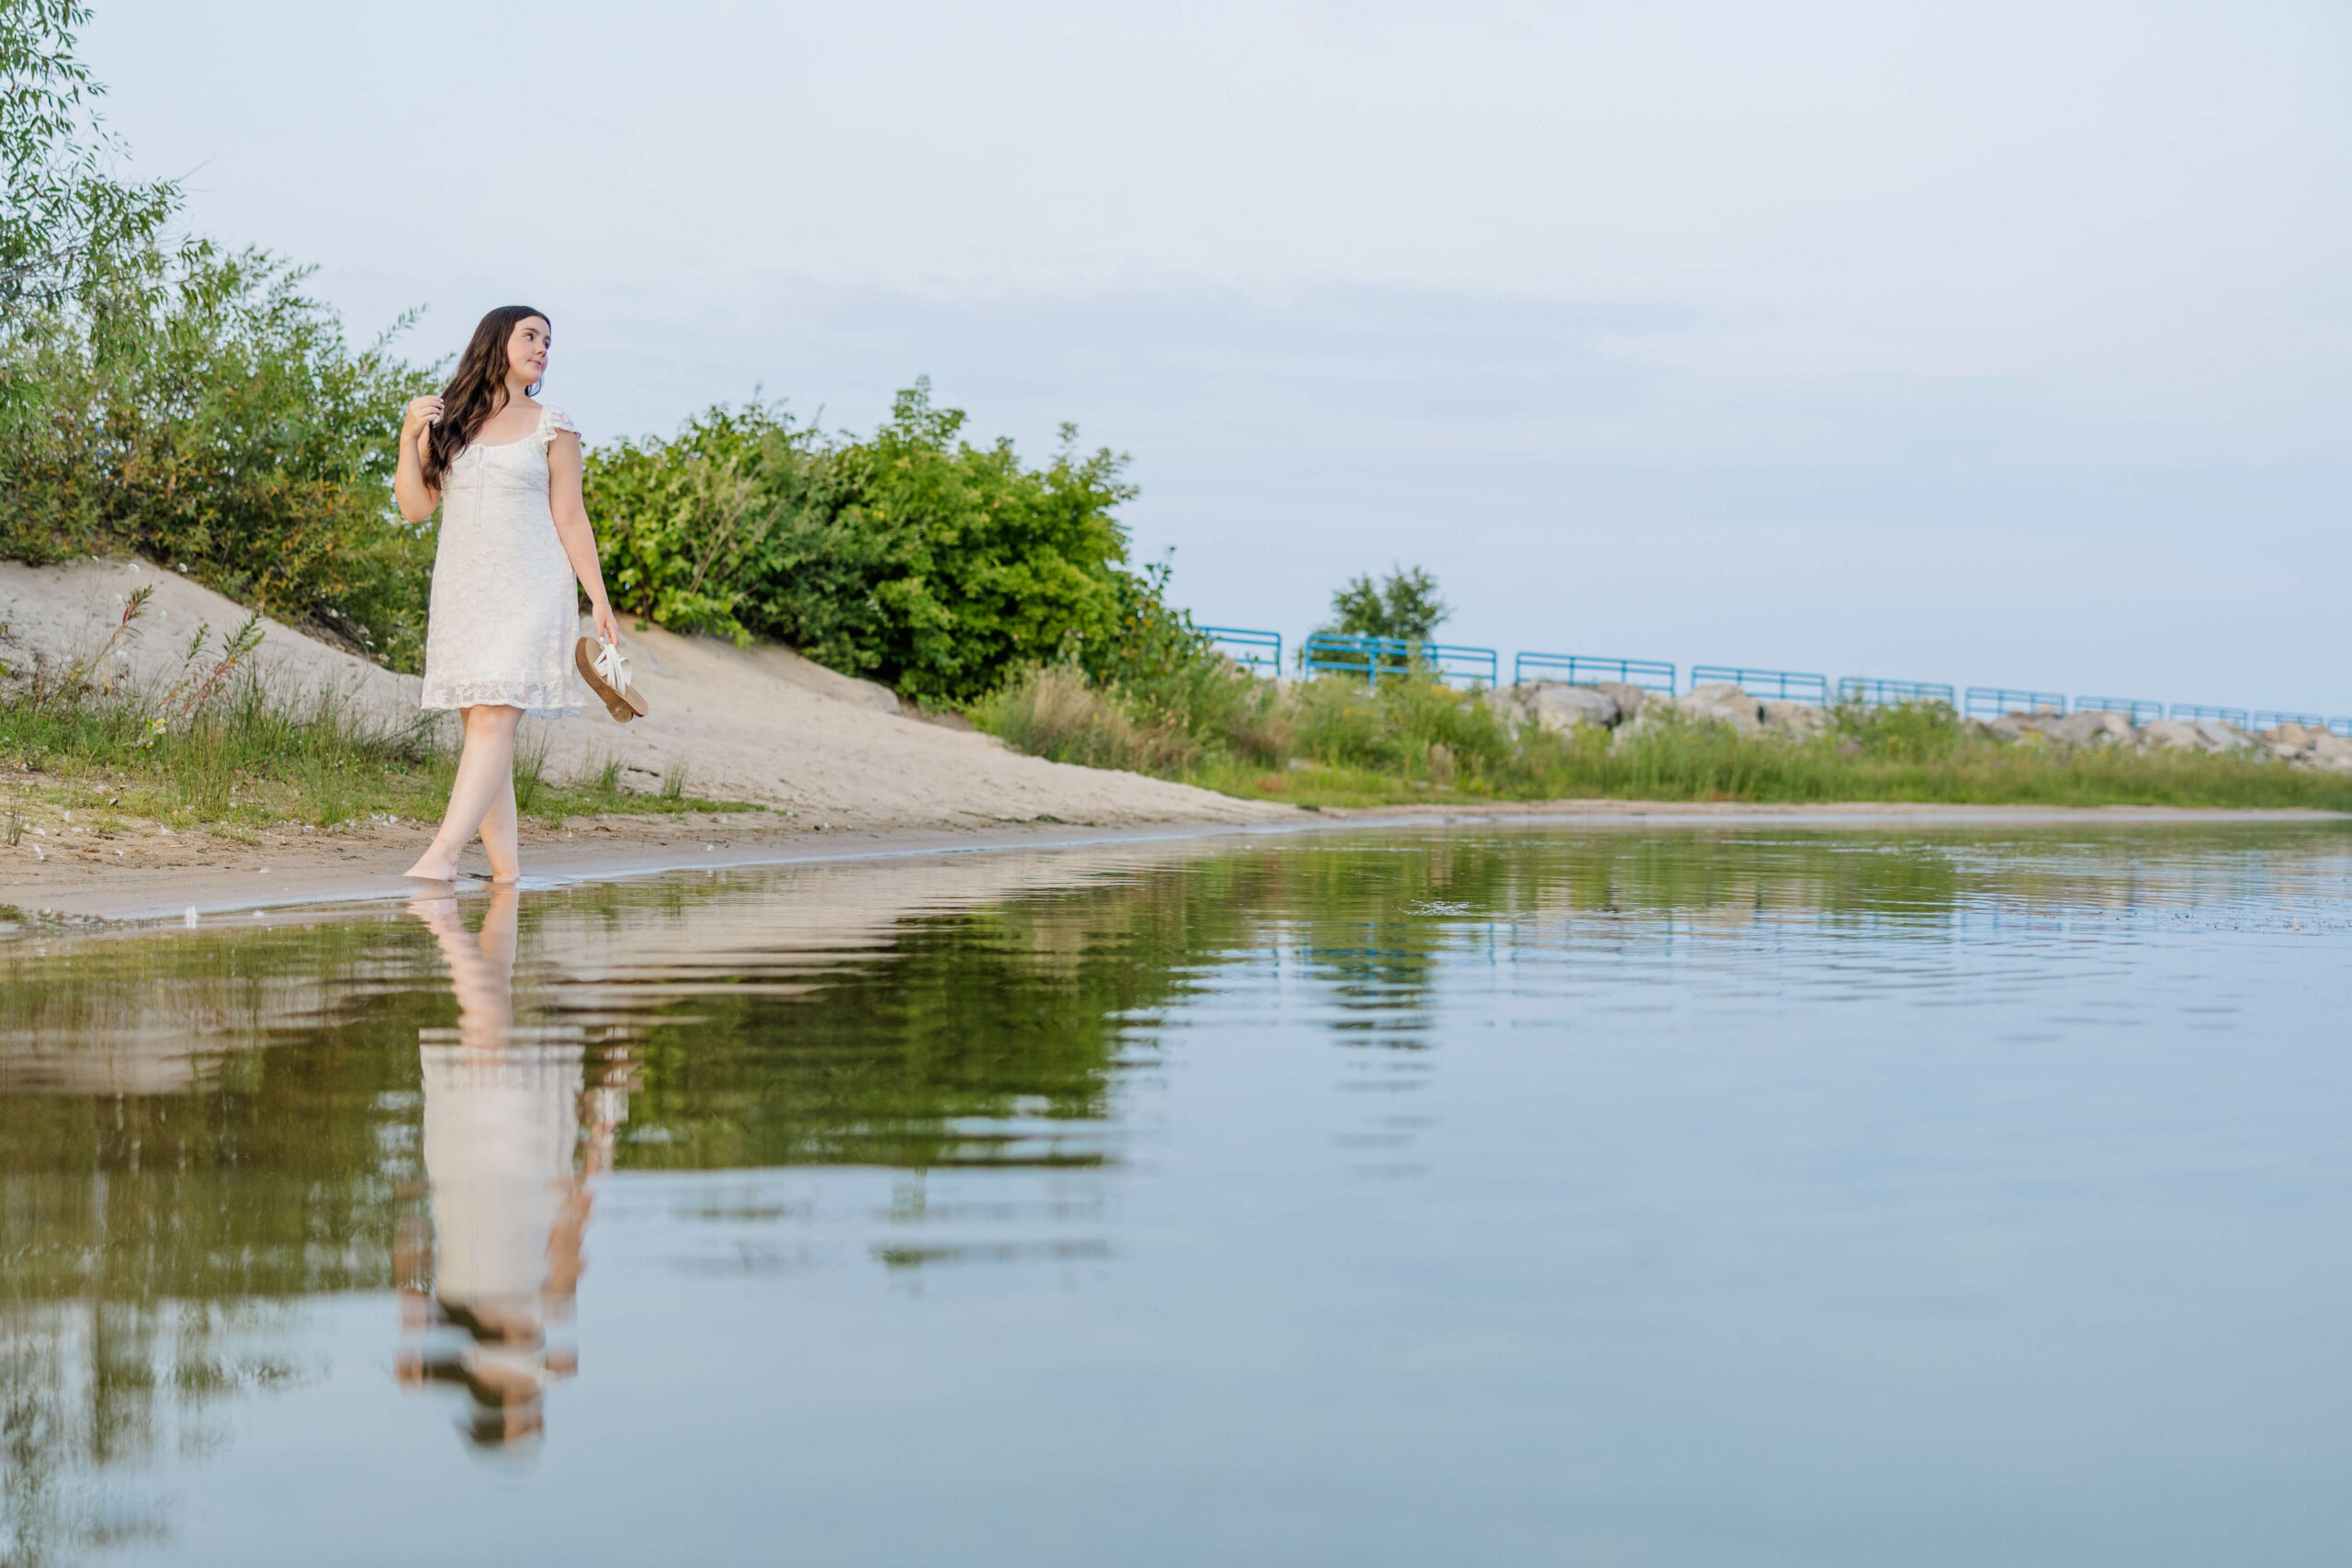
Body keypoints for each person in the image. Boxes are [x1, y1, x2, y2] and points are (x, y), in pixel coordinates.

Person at [393, 305, 621, 882]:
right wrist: (408, 436)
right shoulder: (449, 423)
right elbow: (415, 508)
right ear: (496, 341)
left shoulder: (554, 424)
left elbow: (571, 517)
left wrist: (598, 599)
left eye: (548, 340)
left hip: (532, 589)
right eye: (530, 335)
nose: (543, 347)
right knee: (481, 729)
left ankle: (442, 856)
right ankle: (507, 877)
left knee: (494, 720)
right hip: (465, 592)